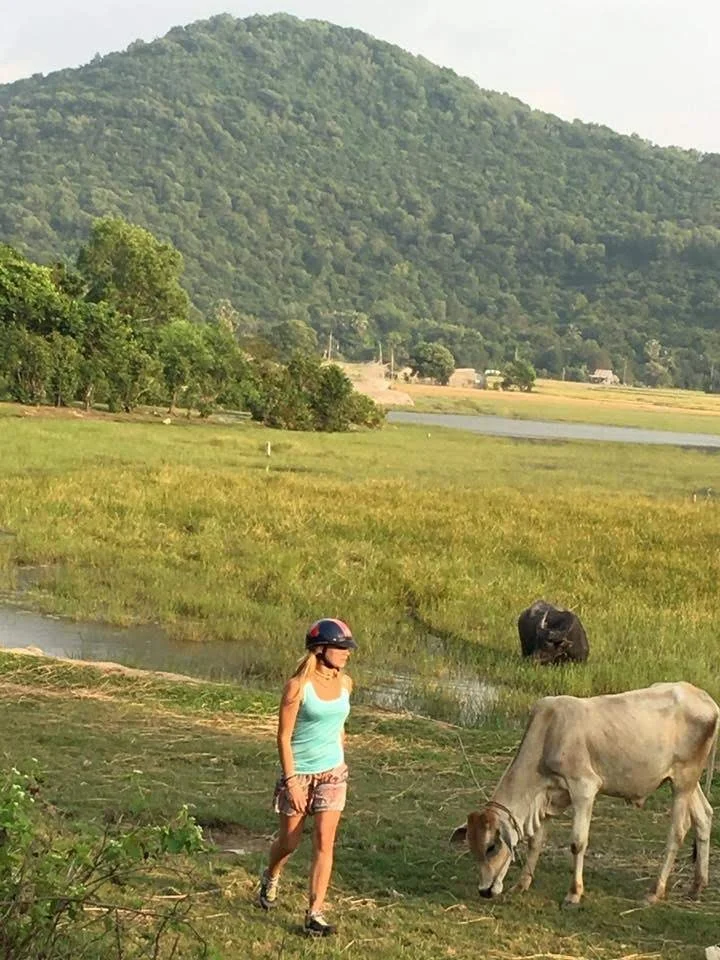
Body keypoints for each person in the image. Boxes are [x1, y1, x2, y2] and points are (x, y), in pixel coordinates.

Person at [257, 618, 356, 937]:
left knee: (325, 841)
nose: (347, 653)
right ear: (321, 649)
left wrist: (340, 754)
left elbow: (339, 725)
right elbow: (284, 737)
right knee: (289, 842)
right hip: (299, 773)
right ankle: (271, 875)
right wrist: (291, 782)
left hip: (333, 773)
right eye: (341, 648)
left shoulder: (346, 684)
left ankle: (315, 913)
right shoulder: (297, 687)